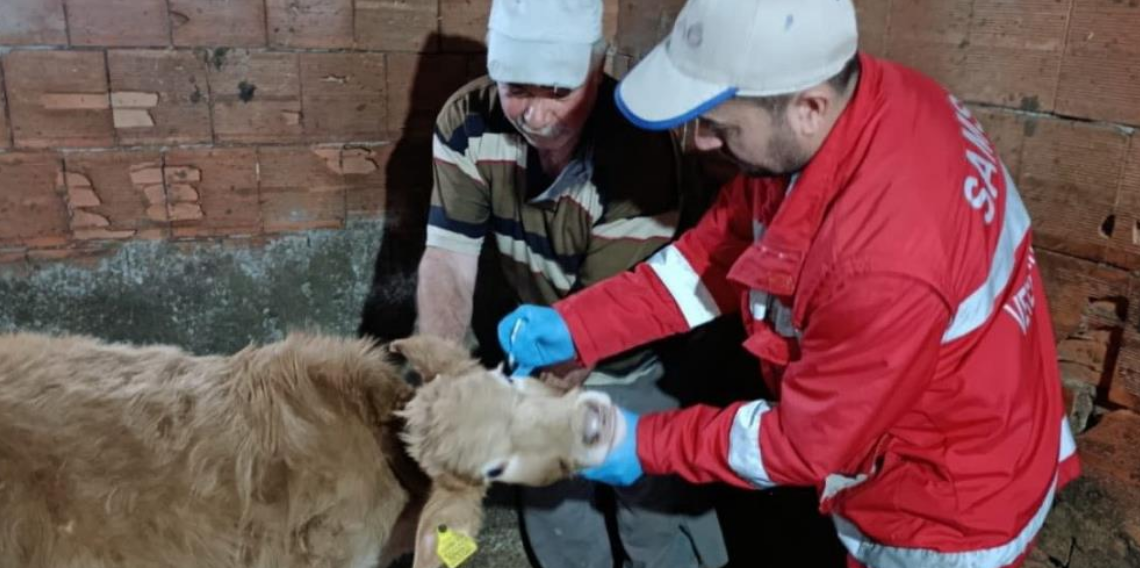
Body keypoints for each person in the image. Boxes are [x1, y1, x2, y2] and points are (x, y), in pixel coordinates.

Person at [497, 0, 1081, 567]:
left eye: (720, 125)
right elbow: (716, 253)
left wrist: (640, 442)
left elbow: (800, 445)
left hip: (943, 499)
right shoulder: (866, 104)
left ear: (807, 107)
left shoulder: (884, 258)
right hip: (942, 411)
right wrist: (578, 326)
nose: (700, 141)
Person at [411, 0, 729, 566]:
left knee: (652, 509)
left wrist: (497, 413)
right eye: (517, 89)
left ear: (595, 67)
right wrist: (444, 380)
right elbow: (448, 262)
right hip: (539, 349)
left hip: (636, 353)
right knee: (558, 514)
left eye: (558, 92)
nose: (534, 114)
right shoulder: (467, 123)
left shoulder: (638, 146)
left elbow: (602, 319)